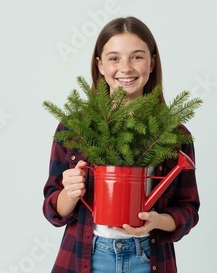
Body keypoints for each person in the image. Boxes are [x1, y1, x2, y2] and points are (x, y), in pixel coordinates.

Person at [42, 16, 199, 273]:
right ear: (100, 65)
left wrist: (158, 221)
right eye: (114, 58)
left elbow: (189, 209)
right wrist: (69, 195)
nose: (125, 68)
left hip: (149, 258)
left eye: (137, 57)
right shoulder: (74, 129)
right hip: (84, 258)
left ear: (152, 62)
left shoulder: (173, 134)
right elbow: (53, 210)